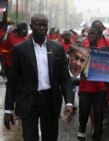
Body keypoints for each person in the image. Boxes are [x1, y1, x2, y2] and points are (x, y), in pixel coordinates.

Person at [3, 13, 74, 141]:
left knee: (50, 137)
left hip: (50, 101)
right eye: (38, 25)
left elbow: (64, 78)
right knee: (30, 137)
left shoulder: (57, 48)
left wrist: (69, 102)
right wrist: (8, 110)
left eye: (44, 25)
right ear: (31, 26)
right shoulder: (20, 49)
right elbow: (12, 81)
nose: (42, 28)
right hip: (28, 101)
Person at [77, 26, 109, 141]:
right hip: (85, 88)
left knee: (99, 115)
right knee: (84, 113)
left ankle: (97, 137)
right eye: (89, 33)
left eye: (93, 33)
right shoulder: (84, 47)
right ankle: (82, 128)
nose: (90, 35)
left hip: (100, 90)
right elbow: (77, 66)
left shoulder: (104, 49)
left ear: (99, 36)